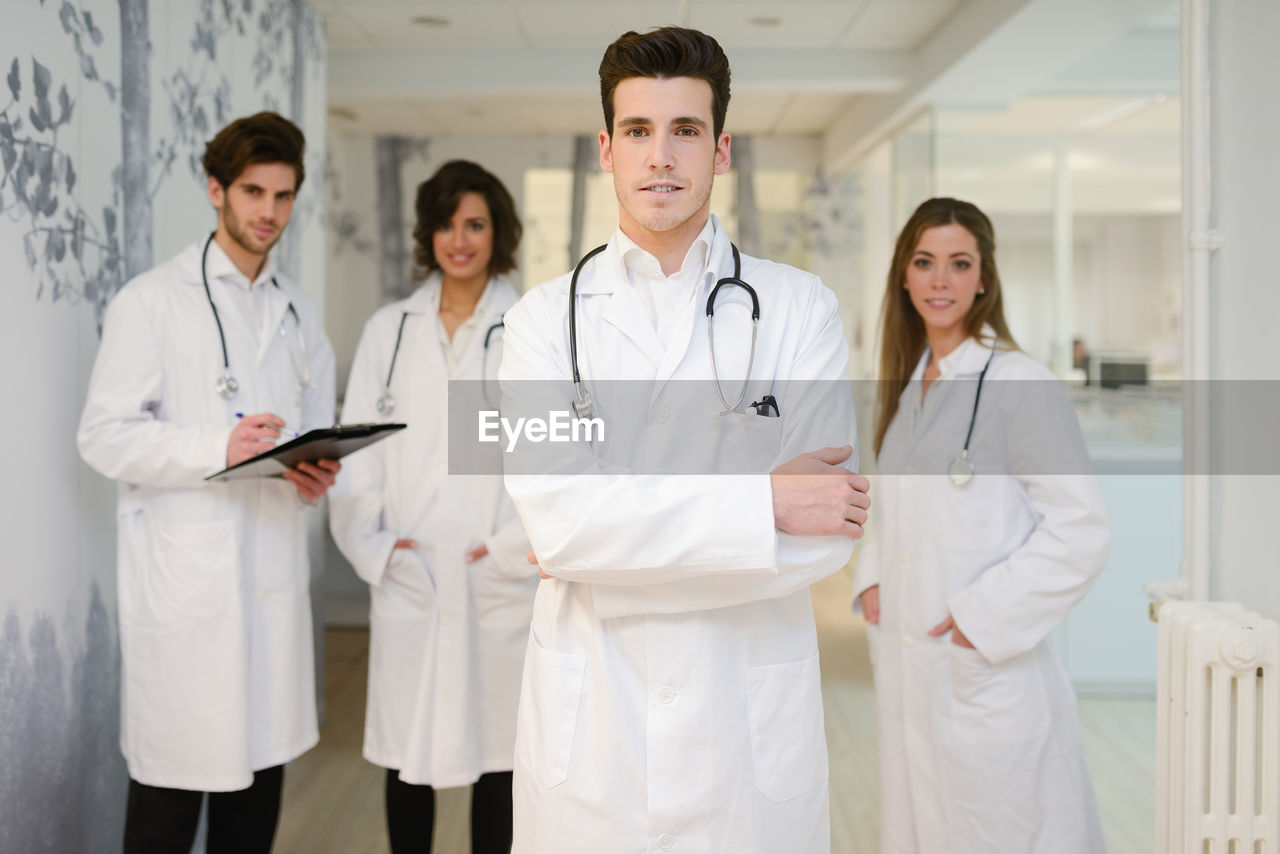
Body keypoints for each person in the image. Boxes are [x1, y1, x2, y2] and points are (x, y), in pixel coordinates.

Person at [498, 27, 870, 854]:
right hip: (593, 734)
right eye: (638, 131)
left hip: (745, 735)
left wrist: (607, 543)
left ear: (722, 149)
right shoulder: (538, 324)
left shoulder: (799, 308)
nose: (660, 156)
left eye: (685, 130)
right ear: (606, 148)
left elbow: (827, 539)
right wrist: (764, 504)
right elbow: (559, 524)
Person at [77, 112, 339, 854]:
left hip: (271, 589)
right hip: (189, 600)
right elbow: (102, 436)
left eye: (284, 196)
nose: (269, 213)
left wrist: (312, 472)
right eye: (254, 192)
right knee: (165, 812)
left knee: (253, 814)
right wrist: (214, 445)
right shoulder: (153, 302)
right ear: (216, 190)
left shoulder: (297, 314)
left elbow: (309, 428)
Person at [852, 197, 1110, 853]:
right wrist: (874, 578)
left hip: (982, 663)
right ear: (903, 277)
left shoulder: (1021, 385)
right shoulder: (913, 386)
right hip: (914, 659)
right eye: (925, 262)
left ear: (984, 279)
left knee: (998, 827)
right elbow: (897, 506)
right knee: (923, 820)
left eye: (959, 264)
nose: (941, 281)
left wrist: (983, 617)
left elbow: (1079, 531)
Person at [329, 160, 535, 854]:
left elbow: (557, 457)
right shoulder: (388, 332)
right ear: (428, 233)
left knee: (500, 762)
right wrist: (379, 549)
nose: (460, 239)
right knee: (406, 757)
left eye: (475, 223)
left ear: (497, 232)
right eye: (446, 224)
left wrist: (513, 551)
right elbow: (355, 454)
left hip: (497, 574)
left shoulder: (533, 329)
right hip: (411, 573)